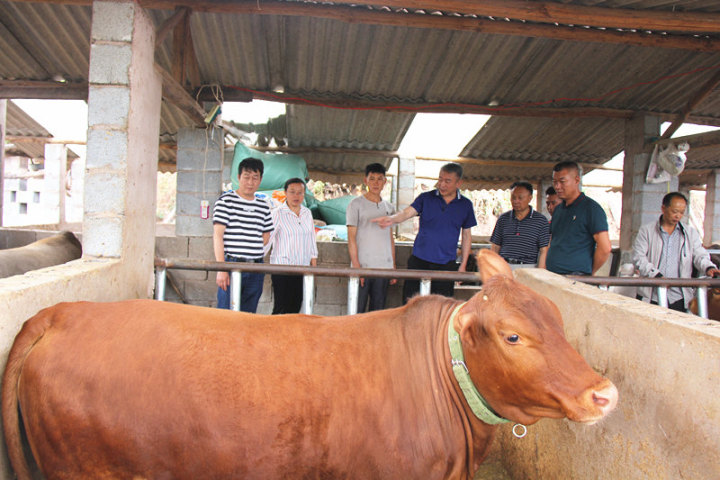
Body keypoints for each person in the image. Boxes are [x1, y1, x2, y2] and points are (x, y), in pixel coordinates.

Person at [373, 162, 476, 303]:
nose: (442, 185)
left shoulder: (465, 205)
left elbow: (466, 235)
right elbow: (407, 212)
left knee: (440, 307)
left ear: (459, 183)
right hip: (419, 261)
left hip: (446, 265)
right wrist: (391, 219)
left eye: (447, 181)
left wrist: (463, 265)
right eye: (440, 179)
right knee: (411, 304)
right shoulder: (426, 198)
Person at [632, 192, 719, 312]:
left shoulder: (690, 233)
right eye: (674, 211)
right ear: (663, 208)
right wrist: (656, 275)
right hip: (652, 295)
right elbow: (638, 257)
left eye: (682, 212)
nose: (678, 216)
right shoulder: (647, 231)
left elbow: (699, 255)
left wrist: (709, 267)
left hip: (679, 296)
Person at [213, 157, 273, 312]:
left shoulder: (263, 206)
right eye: (246, 177)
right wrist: (222, 268)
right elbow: (218, 235)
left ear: (260, 180)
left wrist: (251, 246)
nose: (250, 182)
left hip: (256, 268)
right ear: (238, 177)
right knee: (226, 314)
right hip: (232, 264)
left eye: (255, 178)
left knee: (249, 314)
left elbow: (266, 236)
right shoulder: (226, 201)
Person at [546, 161, 612, 275]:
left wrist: (590, 272)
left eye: (562, 182)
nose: (557, 186)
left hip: (576, 278)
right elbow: (552, 241)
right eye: (555, 182)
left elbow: (605, 248)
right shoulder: (558, 210)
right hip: (553, 275)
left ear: (577, 180)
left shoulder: (591, 209)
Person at [347, 163, 397, 312]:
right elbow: (351, 238)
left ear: (385, 182)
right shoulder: (355, 205)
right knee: (357, 312)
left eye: (380, 179)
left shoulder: (389, 207)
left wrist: (393, 267)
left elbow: (390, 238)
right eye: (372, 178)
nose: (376, 183)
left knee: (377, 313)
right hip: (363, 266)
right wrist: (357, 268)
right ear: (365, 180)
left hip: (383, 268)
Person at [268, 178, 318, 314]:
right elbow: (267, 240)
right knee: (281, 308)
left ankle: (291, 336)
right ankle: (274, 335)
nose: (296, 196)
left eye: (300, 193)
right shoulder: (277, 213)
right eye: (292, 192)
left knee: (296, 307)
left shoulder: (307, 213)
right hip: (282, 268)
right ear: (285, 193)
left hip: (302, 267)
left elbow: (311, 239)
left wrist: (313, 264)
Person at [490, 182, 550, 268]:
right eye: (513, 197)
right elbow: (495, 247)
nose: (516, 201)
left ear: (530, 198)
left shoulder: (541, 221)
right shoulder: (503, 219)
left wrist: (540, 273)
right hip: (504, 266)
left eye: (520, 198)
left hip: (528, 268)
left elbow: (544, 250)